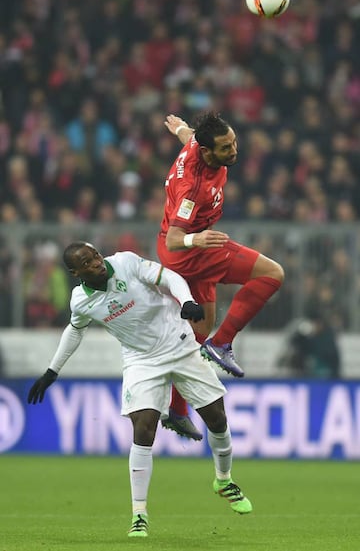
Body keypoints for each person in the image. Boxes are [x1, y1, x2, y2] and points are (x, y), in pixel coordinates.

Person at [27, 241, 252, 538]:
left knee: (217, 420)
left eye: (94, 255)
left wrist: (185, 300)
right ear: (75, 272)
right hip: (141, 361)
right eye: (87, 262)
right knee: (143, 429)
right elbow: (75, 329)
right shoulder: (81, 300)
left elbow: (170, 277)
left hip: (180, 344)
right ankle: (139, 515)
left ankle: (224, 480)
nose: (96, 262)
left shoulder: (125, 263)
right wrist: (52, 370)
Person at [157, 112, 284, 440]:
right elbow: (174, 238)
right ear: (208, 152)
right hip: (191, 252)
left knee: (198, 332)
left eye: (234, 142)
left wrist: (181, 128)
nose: (234, 150)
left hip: (189, 250)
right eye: (226, 147)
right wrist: (196, 239)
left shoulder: (198, 144)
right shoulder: (193, 187)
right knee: (272, 274)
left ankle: (177, 410)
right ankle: (224, 343)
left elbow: (190, 138)